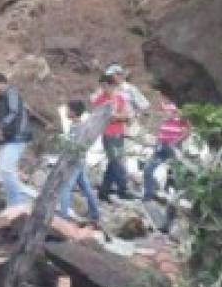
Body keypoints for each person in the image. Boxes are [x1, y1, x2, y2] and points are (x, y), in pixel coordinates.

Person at [0, 71, 33, 209]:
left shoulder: (11, 93)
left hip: (18, 137)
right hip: (9, 138)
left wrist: (0, 128)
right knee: (6, 171)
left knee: (6, 169)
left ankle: (17, 203)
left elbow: (13, 113)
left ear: (3, 83)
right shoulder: (2, 97)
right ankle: (13, 201)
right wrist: (0, 137)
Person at [58, 99, 102, 226]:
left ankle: (63, 217)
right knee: (86, 187)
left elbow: (75, 146)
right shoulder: (78, 125)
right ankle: (95, 213)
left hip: (75, 161)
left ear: (73, 112)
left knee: (65, 187)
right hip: (80, 160)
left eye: (68, 110)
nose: (66, 112)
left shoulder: (78, 127)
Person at [93, 72, 135, 202]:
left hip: (119, 134)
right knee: (117, 163)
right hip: (108, 135)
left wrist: (119, 116)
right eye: (102, 86)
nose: (104, 89)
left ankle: (104, 192)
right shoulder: (100, 99)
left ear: (112, 86)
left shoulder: (120, 98)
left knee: (113, 164)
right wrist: (119, 116)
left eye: (105, 86)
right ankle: (123, 190)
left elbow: (128, 115)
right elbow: (107, 117)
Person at [143, 91, 190, 202]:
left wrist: (176, 141)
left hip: (172, 147)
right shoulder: (164, 109)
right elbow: (154, 114)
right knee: (148, 169)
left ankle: (176, 199)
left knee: (175, 174)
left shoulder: (179, 113)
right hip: (161, 145)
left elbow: (188, 130)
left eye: (161, 97)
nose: (160, 99)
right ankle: (148, 196)